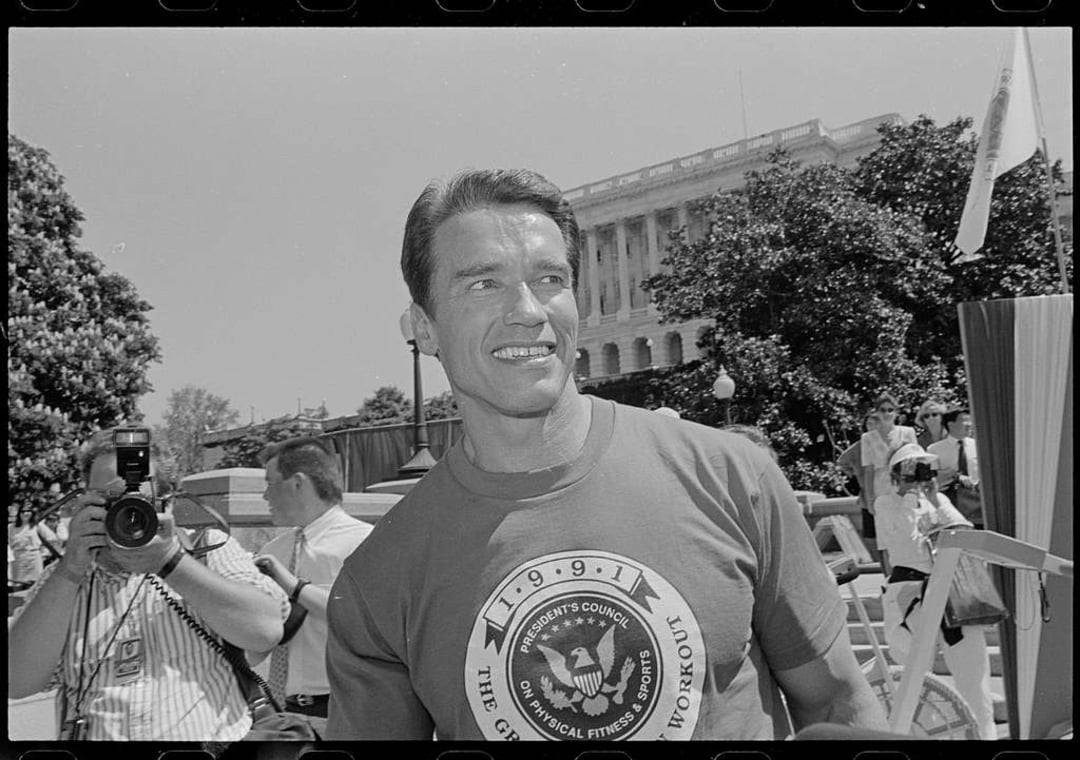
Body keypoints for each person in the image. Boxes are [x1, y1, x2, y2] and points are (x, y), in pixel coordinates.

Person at [325, 168, 887, 740]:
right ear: (423, 328)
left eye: (549, 278)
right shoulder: (378, 581)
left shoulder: (731, 478)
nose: (528, 310)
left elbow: (837, 703)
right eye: (483, 284)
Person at [7, 428, 291, 741]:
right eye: (107, 500)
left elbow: (265, 631)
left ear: (168, 500)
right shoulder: (64, 578)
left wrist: (171, 562)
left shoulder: (209, 550)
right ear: (84, 500)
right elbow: (16, 681)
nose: (124, 513)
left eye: (136, 500)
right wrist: (70, 569)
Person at [249, 437, 373, 734]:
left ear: (297, 483)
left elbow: (361, 619)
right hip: (285, 714)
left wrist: (294, 587)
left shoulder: (366, 543)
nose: (265, 496)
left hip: (347, 711)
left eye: (270, 483)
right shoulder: (274, 551)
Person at [873, 443, 996, 740]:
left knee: (974, 677)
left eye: (921, 466)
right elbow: (902, 538)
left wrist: (934, 499)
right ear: (895, 475)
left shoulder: (937, 498)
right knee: (915, 678)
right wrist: (909, 497)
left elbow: (965, 533)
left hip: (951, 592)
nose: (917, 474)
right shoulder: (885, 504)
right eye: (909, 469)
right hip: (911, 595)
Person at [927, 408, 982, 528]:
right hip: (953, 502)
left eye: (970, 421)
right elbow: (933, 477)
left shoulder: (979, 445)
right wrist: (955, 476)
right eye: (964, 421)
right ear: (950, 424)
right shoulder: (934, 449)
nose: (969, 424)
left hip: (979, 503)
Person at [836, 412, 881, 554]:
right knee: (871, 535)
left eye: (875, 423)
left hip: (886, 490)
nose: (872, 427)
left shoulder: (887, 442)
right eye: (869, 424)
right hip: (867, 494)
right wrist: (854, 472)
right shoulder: (859, 446)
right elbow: (842, 461)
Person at [7, 504, 43, 584]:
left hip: (34, 556)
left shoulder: (37, 525)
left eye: (28, 511)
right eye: (23, 511)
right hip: (19, 556)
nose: (26, 513)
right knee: (18, 582)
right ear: (19, 513)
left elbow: (52, 538)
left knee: (36, 582)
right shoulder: (11, 527)